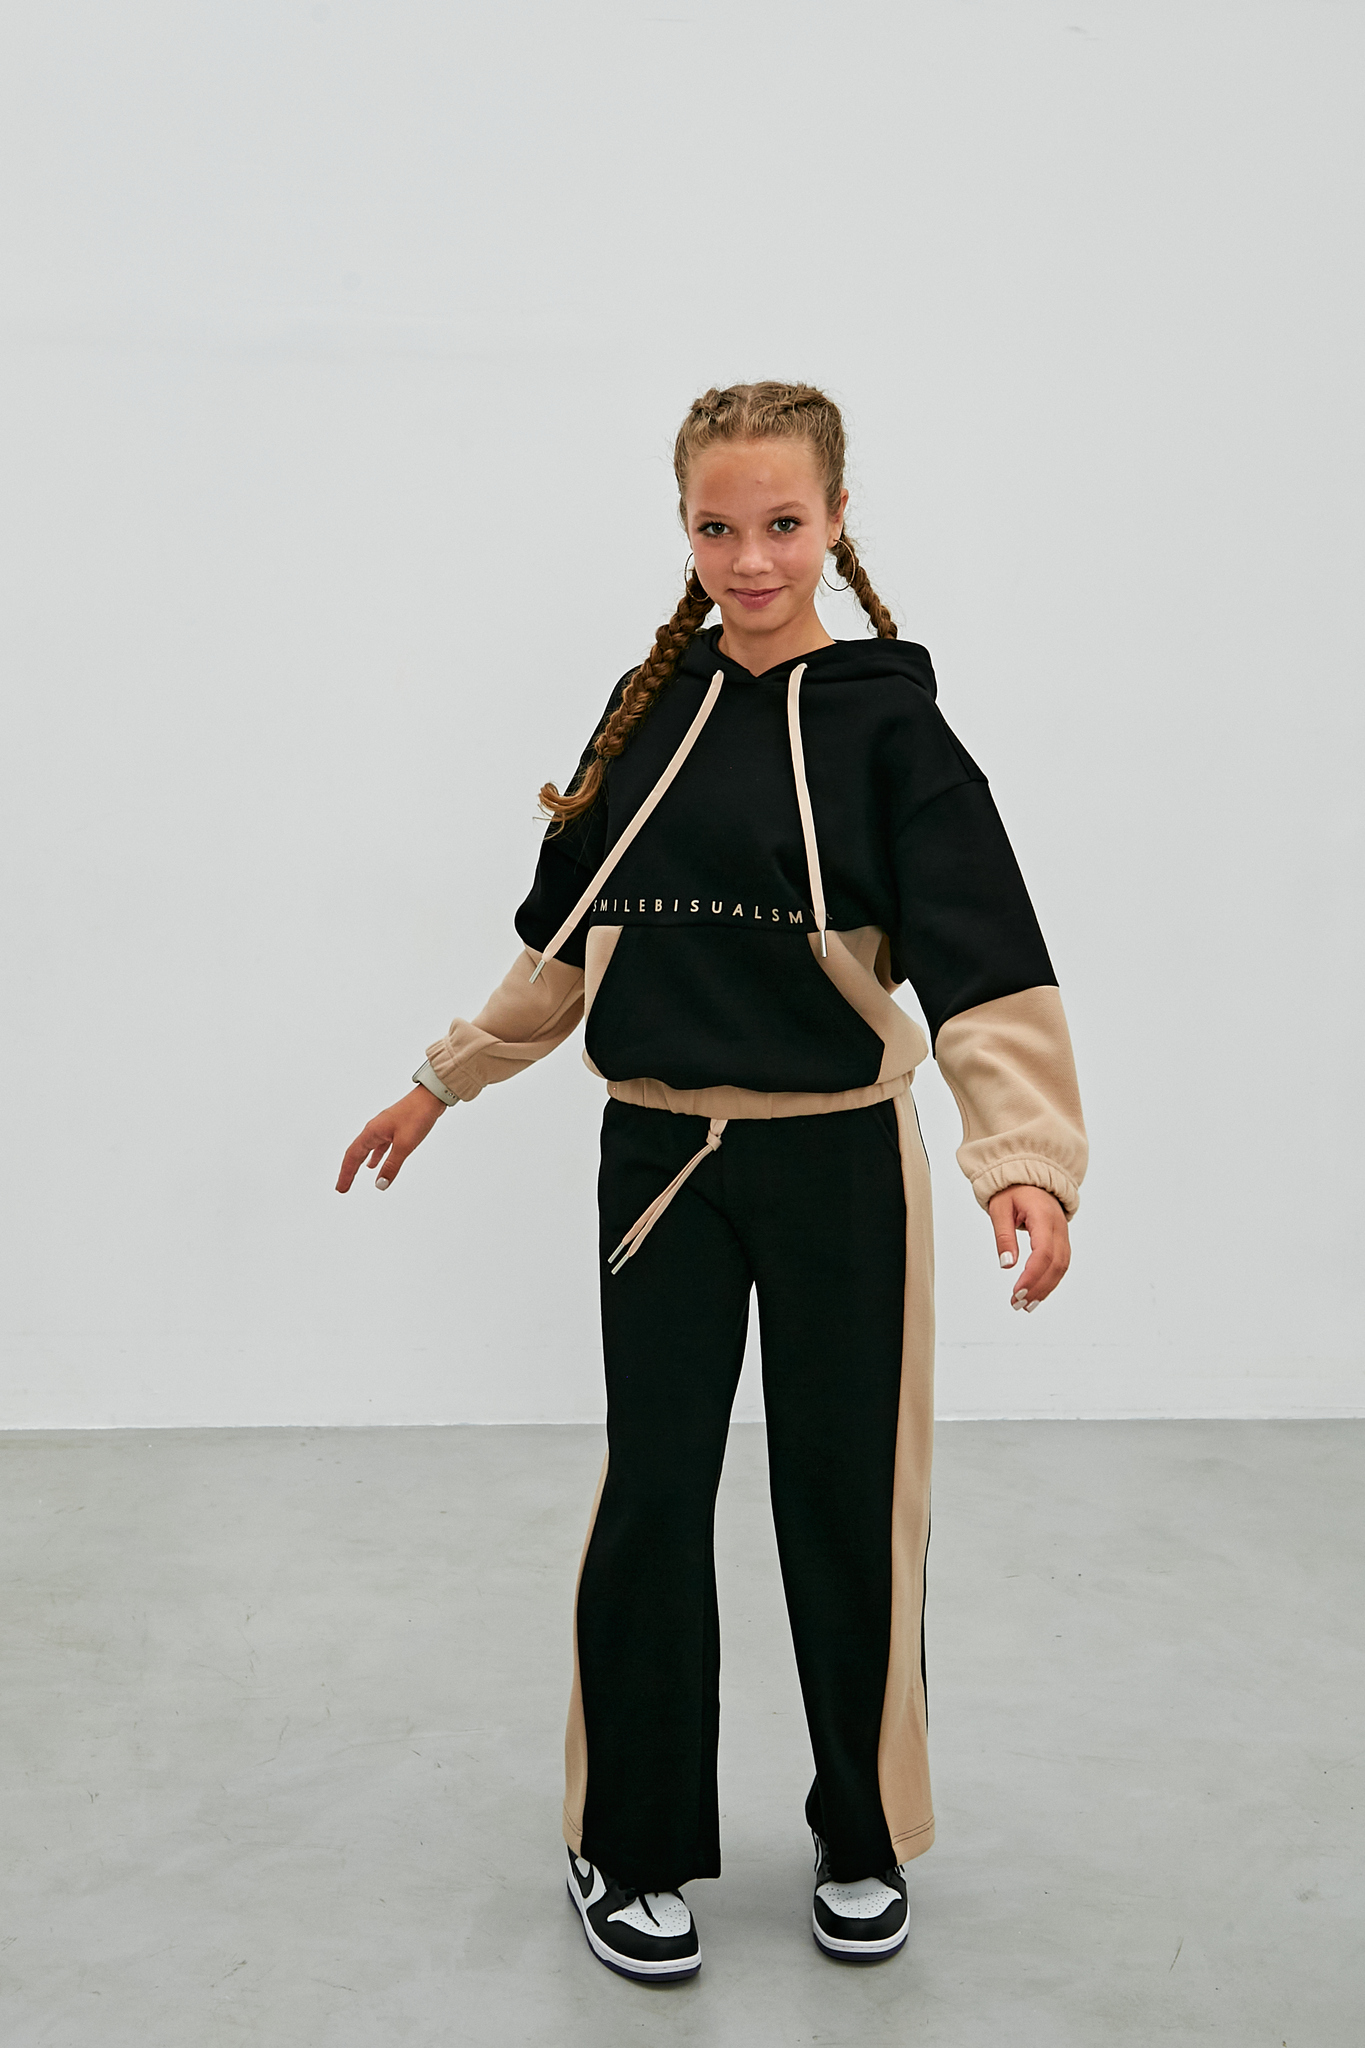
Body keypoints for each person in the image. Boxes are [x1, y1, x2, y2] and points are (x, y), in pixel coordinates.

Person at [337, 382, 1087, 1982]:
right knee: (655, 1495)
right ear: (683, 529)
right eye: (716, 526)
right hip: (659, 1161)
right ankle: (624, 1845)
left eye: (782, 524)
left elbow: (984, 959)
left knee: (848, 1499)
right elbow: (564, 944)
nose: (750, 558)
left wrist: (1020, 1163)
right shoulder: (646, 709)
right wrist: (441, 1081)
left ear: (835, 522)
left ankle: (860, 1831)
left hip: (838, 1164)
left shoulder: (889, 727)